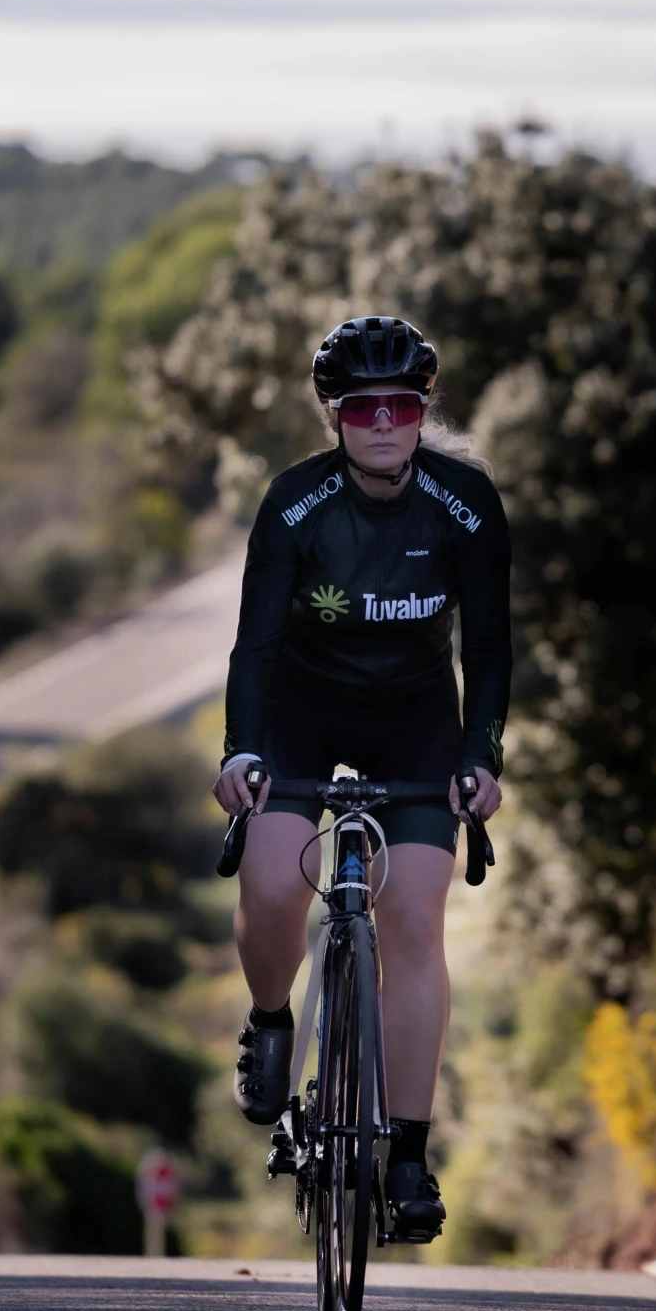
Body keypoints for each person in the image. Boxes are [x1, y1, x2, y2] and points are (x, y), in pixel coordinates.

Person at [212, 315, 510, 1245]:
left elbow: (491, 648)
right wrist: (239, 749)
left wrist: (481, 756)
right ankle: (269, 1020)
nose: (384, 421)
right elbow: (255, 642)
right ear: (335, 416)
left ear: (425, 410)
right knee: (269, 883)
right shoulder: (296, 504)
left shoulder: (465, 504)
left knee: (415, 913)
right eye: (362, 407)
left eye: (403, 404)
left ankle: (410, 1156)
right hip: (301, 707)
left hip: (417, 715)